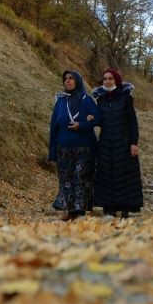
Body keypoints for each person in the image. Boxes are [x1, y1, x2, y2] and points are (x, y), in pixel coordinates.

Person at [49, 70, 100, 220]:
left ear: (77, 81)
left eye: (71, 78)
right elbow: (54, 126)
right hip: (63, 148)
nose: (68, 81)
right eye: (65, 79)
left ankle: (79, 212)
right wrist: (52, 150)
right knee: (65, 179)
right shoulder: (60, 101)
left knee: (81, 179)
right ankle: (68, 210)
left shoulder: (86, 100)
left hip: (84, 148)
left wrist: (83, 124)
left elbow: (98, 118)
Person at [91, 68, 142, 218]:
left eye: (110, 79)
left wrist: (134, 142)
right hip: (106, 142)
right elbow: (99, 120)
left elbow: (133, 122)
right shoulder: (101, 100)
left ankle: (125, 209)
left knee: (125, 176)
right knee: (106, 175)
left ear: (117, 80)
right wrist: (90, 118)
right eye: (105, 79)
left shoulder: (126, 98)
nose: (107, 81)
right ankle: (109, 209)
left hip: (124, 142)